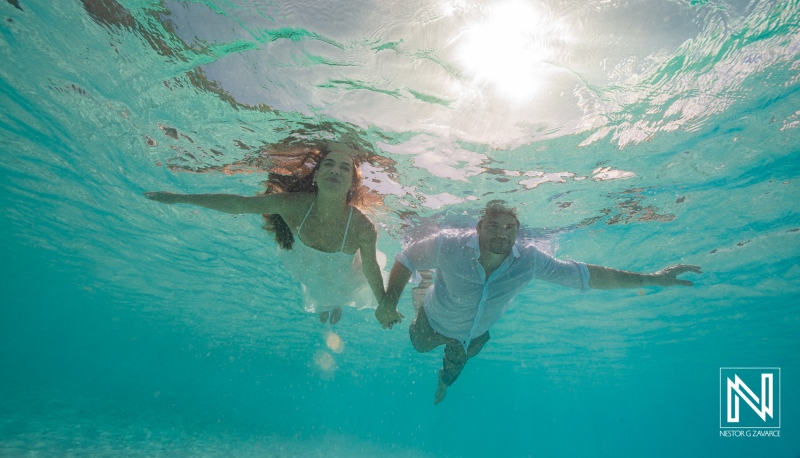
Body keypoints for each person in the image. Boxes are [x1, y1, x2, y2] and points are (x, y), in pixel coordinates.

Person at [375, 200, 700, 404]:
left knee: (456, 366)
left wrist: (653, 278)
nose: (502, 235)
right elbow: (405, 257)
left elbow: (585, 275)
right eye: (494, 226)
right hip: (433, 320)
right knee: (418, 344)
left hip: (473, 335)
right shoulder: (449, 245)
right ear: (478, 227)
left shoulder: (528, 260)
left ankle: (442, 385)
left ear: (518, 232)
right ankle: (427, 284)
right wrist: (390, 302)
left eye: (510, 228)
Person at [145, 143, 387, 324]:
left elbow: (371, 269)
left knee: (339, 295)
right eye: (329, 164)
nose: (335, 170)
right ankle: (328, 305)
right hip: (310, 266)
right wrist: (179, 198)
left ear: (352, 184)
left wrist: (383, 305)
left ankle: (334, 305)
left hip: (347, 274)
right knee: (319, 293)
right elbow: (239, 204)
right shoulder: (292, 205)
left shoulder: (362, 227)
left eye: (345, 168)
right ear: (315, 176)